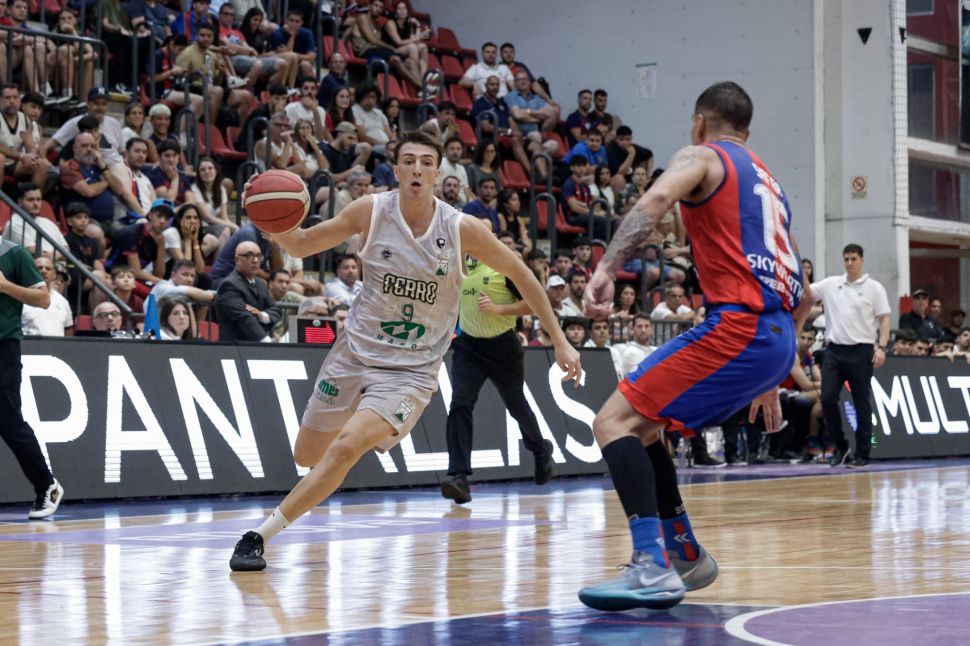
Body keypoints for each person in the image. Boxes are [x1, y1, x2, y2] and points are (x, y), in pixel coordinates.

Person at [228, 130, 581, 571]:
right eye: (408, 161)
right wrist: (265, 212)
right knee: (307, 456)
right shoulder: (371, 210)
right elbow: (300, 243)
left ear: (437, 172)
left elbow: (523, 275)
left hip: (410, 371)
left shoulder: (461, 228)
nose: (417, 169)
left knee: (346, 447)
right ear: (395, 170)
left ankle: (257, 537)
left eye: (426, 162)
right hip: (353, 355)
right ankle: (371, 431)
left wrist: (560, 340)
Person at [580, 82, 811, 611]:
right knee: (644, 428)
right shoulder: (770, 184)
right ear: (746, 129)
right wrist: (771, 375)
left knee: (612, 423)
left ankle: (651, 565)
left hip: (739, 326)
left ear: (700, 123)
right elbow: (804, 290)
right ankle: (683, 552)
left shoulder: (703, 157)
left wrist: (607, 268)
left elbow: (657, 199)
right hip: (775, 334)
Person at [441, 256, 555, 504]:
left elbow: (533, 304)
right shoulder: (457, 266)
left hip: (502, 346)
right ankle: (459, 478)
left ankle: (540, 448)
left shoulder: (503, 267)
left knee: (516, 405)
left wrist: (499, 309)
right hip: (468, 346)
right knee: (460, 404)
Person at [808, 243, 890, 469]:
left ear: (861, 260)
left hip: (861, 350)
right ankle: (840, 446)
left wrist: (882, 347)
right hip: (834, 350)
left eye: (854, 259)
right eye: (846, 259)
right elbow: (807, 291)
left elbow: (884, 318)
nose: (850, 263)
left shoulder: (874, 288)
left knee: (861, 402)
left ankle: (862, 453)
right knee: (827, 398)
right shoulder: (831, 284)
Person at [0, 233, 65, 519]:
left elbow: (43, 299)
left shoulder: (14, 254)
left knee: (9, 422)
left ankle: (47, 485)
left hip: (3, 347)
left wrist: (5, 286)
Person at [215, 240, 283, 342]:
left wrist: (261, 315)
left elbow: (276, 310)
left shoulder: (261, 284)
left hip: (256, 346)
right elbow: (244, 318)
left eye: (259, 256)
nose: (255, 260)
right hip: (236, 346)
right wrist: (266, 341)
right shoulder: (229, 285)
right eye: (249, 255)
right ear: (237, 259)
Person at [21, 256, 75, 337]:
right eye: (39, 268)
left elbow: (68, 330)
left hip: (57, 345)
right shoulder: (20, 297)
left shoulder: (63, 302)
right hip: (28, 344)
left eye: (48, 268)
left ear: (54, 275)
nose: (44, 271)